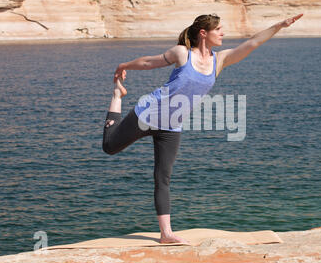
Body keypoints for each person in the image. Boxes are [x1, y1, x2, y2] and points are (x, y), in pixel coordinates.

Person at [102, 13, 303, 244]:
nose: (223, 33)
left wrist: (280, 25)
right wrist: (124, 65)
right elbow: (149, 62)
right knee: (109, 147)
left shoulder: (220, 61)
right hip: (147, 114)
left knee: (163, 178)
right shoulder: (182, 53)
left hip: (171, 126)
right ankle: (117, 96)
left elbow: (252, 43)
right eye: (219, 29)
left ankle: (166, 233)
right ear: (203, 33)